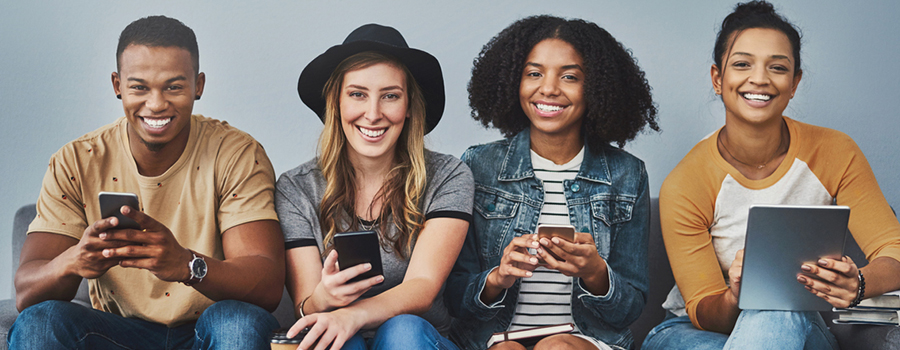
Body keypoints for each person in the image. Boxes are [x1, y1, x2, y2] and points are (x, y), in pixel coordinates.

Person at [8, 15, 285, 350]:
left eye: (174, 87)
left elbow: (267, 285)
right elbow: (26, 292)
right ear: (117, 85)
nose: (156, 104)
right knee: (41, 322)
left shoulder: (236, 153)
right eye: (139, 87)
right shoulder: (77, 161)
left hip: (208, 331)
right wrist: (73, 261)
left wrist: (186, 265)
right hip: (115, 332)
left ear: (198, 86)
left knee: (237, 323)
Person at [642, 1, 900, 349]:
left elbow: (894, 249)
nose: (759, 79)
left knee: (776, 305)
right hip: (693, 332)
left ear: (794, 83)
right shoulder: (687, 182)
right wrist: (737, 294)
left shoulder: (836, 152)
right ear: (718, 79)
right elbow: (703, 309)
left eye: (777, 67)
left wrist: (861, 283)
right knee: (766, 305)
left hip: (796, 324)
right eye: (742, 64)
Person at [445, 15, 658, 350]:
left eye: (569, 76)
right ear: (514, 81)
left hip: (585, 340)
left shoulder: (627, 175)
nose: (548, 88)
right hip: (495, 340)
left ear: (597, 88)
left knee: (556, 348)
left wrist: (595, 273)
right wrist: (498, 278)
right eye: (534, 73)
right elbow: (455, 298)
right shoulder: (478, 165)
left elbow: (629, 308)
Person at [276, 23, 473, 350]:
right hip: (338, 337)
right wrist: (324, 297)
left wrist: (352, 315)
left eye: (390, 96)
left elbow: (423, 287)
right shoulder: (296, 188)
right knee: (341, 342)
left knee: (403, 331)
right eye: (357, 94)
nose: (373, 114)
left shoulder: (449, 175)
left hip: (418, 341)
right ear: (335, 103)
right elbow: (306, 305)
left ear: (409, 106)